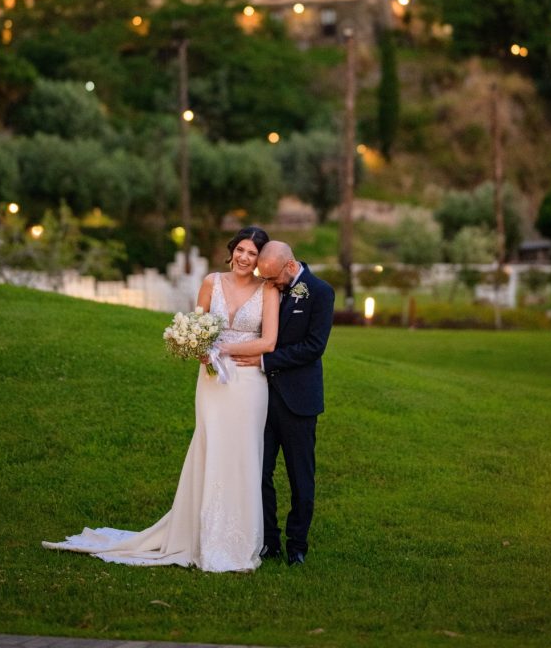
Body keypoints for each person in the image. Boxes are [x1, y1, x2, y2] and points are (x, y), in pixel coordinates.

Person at [42, 226, 279, 572]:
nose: (245, 258)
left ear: (260, 260)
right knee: (209, 448)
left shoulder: (268, 290)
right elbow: (196, 324)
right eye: (241, 250)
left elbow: (268, 342)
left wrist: (222, 348)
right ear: (232, 250)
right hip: (212, 382)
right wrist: (197, 346)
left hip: (248, 385)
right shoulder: (212, 282)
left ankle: (237, 541)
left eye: (253, 253)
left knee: (243, 454)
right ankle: (199, 534)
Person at [229, 240, 334, 566]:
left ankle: (297, 545)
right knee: (260, 473)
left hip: (299, 400)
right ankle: (269, 540)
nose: (269, 283)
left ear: (289, 267)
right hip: (261, 398)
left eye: (273, 278)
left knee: (300, 477)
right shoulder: (269, 284)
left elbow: (313, 347)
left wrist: (264, 361)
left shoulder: (319, 292)